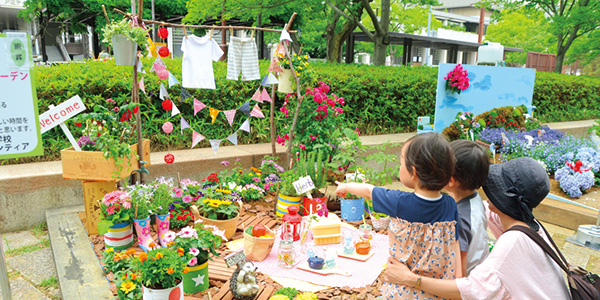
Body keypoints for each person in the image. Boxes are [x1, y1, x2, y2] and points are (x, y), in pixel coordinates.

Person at [382, 157, 570, 300]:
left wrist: (409, 278)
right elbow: (480, 207)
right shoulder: (529, 225)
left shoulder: (512, 244)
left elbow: (469, 290)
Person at [336, 132, 461, 299]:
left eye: (401, 161)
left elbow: (368, 190)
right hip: (437, 293)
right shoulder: (450, 204)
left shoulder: (399, 202)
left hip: (402, 292)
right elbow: (454, 245)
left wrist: (345, 186)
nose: (399, 166)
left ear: (414, 173)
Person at [445, 140, 490, 276]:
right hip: (480, 267)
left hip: (468, 278)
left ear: (451, 180)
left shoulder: (459, 218)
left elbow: (459, 271)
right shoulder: (475, 198)